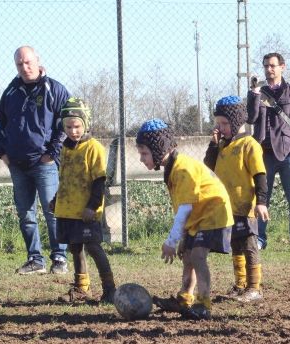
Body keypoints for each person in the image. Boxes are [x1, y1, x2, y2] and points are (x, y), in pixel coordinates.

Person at [136, 119, 233, 320]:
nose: (141, 159)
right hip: (199, 217)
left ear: (158, 148)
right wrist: (182, 239)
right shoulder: (173, 167)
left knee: (197, 256)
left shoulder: (182, 169)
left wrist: (171, 242)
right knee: (188, 256)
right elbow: (186, 207)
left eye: (144, 153)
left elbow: (184, 210)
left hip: (213, 214)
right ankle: (184, 299)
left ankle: (203, 304)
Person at [0, 46, 69, 275]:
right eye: (19, 64)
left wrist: (51, 154)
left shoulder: (54, 89)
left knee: (52, 211)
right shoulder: (10, 92)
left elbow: (67, 123)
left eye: (28, 62)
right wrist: (3, 153)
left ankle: (59, 258)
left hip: (44, 164)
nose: (24, 67)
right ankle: (35, 260)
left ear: (37, 61)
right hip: (17, 164)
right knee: (26, 214)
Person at [204, 96, 269, 303]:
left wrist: (261, 202)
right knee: (236, 245)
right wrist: (213, 146)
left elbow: (260, 175)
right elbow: (209, 166)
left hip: (246, 206)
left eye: (224, 123)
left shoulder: (249, 145)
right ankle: (240, 285)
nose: (220, 128)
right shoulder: (222, 145)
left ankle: (254, 288)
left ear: (237, 121)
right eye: (218, 124)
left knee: (249, 246)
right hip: (229, 207)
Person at [51, 98, 116, 304]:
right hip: (68, 210)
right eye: (68, 126)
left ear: (85, 124)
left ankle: (110, 288)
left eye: (77, 126)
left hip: (86, 210)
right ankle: (81, 288)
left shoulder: (94, 148)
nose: (73, 131)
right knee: (75, 247)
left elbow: (99, 181)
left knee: (94, 247)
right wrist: (56, 199)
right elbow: (65, 178)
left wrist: (92, 206)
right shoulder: (65, 148)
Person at [247, 52, 290, 252]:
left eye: (272, 65)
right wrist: (254, 93)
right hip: (264, 153)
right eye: (266, 66)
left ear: (282, 67)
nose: (268, 69)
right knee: (262, 200)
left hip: (287, 154)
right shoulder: (259, 92)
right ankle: (260, 239)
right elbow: (251, 117)